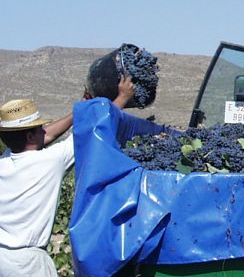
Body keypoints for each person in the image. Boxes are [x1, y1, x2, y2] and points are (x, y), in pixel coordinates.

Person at [0, 77, 164, 276]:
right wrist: (122, 98)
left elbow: (47, 135)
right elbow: (94, 130)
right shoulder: (50, 161)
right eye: (39, 129)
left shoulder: (5, 159)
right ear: (30, 136)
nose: (45, 131)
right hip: (27, 264)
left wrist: (80, 108)